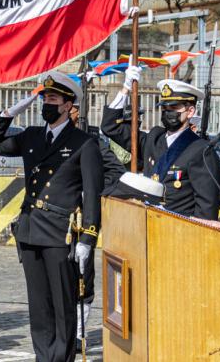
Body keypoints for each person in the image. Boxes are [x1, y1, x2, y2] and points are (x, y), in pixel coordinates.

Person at [0, 72, 102, 362]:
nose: (46, 103)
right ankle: (42, 356)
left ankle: (60, 358)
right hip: (31, 229)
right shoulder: (32, 136)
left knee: (62, 304)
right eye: (45, 98)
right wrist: (8, 114)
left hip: (60, 232)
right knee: (39, 305)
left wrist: (88, 238)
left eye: (53, 99)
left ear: (68, 105)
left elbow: (92, 194)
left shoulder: (84, 143)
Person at [101, 68, 220, 220]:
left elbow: (207, 206)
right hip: (147, 222)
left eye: (174, 108)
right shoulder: (154, 138)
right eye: (164, 108)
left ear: (190, 111)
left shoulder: (201, 149)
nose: (167, 112)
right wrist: (125, 88)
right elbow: (110, 127)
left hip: (179, 228)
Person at [67, 101, 125, 344]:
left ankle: (79, 329)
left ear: (76, 109)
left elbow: (115, 170)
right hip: (55, 217)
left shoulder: (90, 138)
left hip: (81, 216)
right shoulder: (48, 135)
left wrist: (92, 191)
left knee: (82, 274)